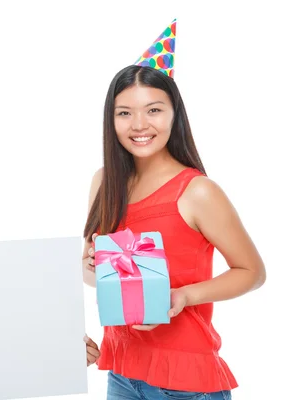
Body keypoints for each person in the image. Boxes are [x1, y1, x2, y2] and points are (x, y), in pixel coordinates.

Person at [82, 20, 266, 399]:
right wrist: (90, 268)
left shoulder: (197, 192)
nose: (139, 125)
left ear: (174, 114)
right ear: (110, 119)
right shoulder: (104, 183)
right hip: (122, 372)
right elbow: (95, 277)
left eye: (153, 110)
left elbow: (253, 272)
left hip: (185, 383)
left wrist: (184, 297)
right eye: (124, 113)